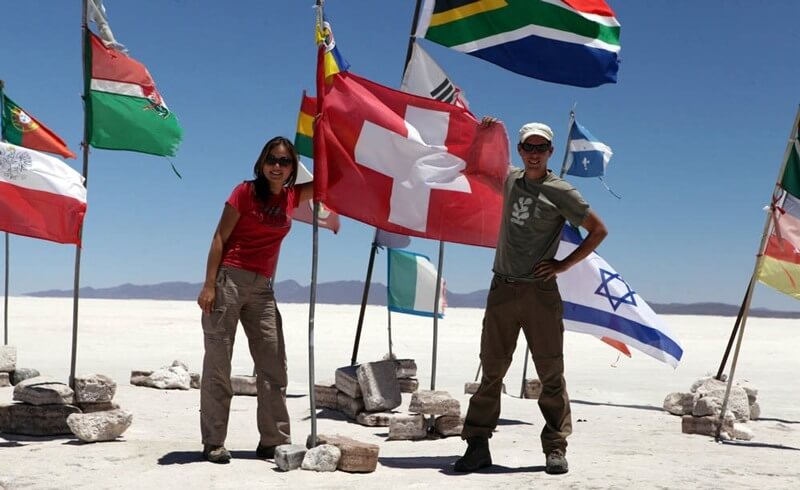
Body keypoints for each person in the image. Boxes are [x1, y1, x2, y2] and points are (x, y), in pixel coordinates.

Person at [455, 121, 608, 475]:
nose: (534, 154)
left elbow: (598, 230)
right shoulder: (510, 179)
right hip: (503, 289)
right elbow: (476, 166)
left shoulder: (561, 191)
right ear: (521, 151)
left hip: (539, 293)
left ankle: (555, 447)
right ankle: (477, 445)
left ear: (550, 152)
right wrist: (483, 134)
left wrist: (562, 265)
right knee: (492, 370)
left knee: (550, 373)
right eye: (528, 148)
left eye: (541, 148)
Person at [197, 136, 313, 464]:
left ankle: (273, 440)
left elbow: (329, 182)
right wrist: (209, 285)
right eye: (272, 160)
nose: (278, 167)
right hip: (229, 280)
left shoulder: (292, 197)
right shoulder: (245, 192)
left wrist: (327, 133)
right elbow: (220, 236)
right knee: (219, 363)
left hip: (263, 288)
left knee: (273, 363)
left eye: (285, 162)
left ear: (293, 168)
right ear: (262, 163)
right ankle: (214, 441)